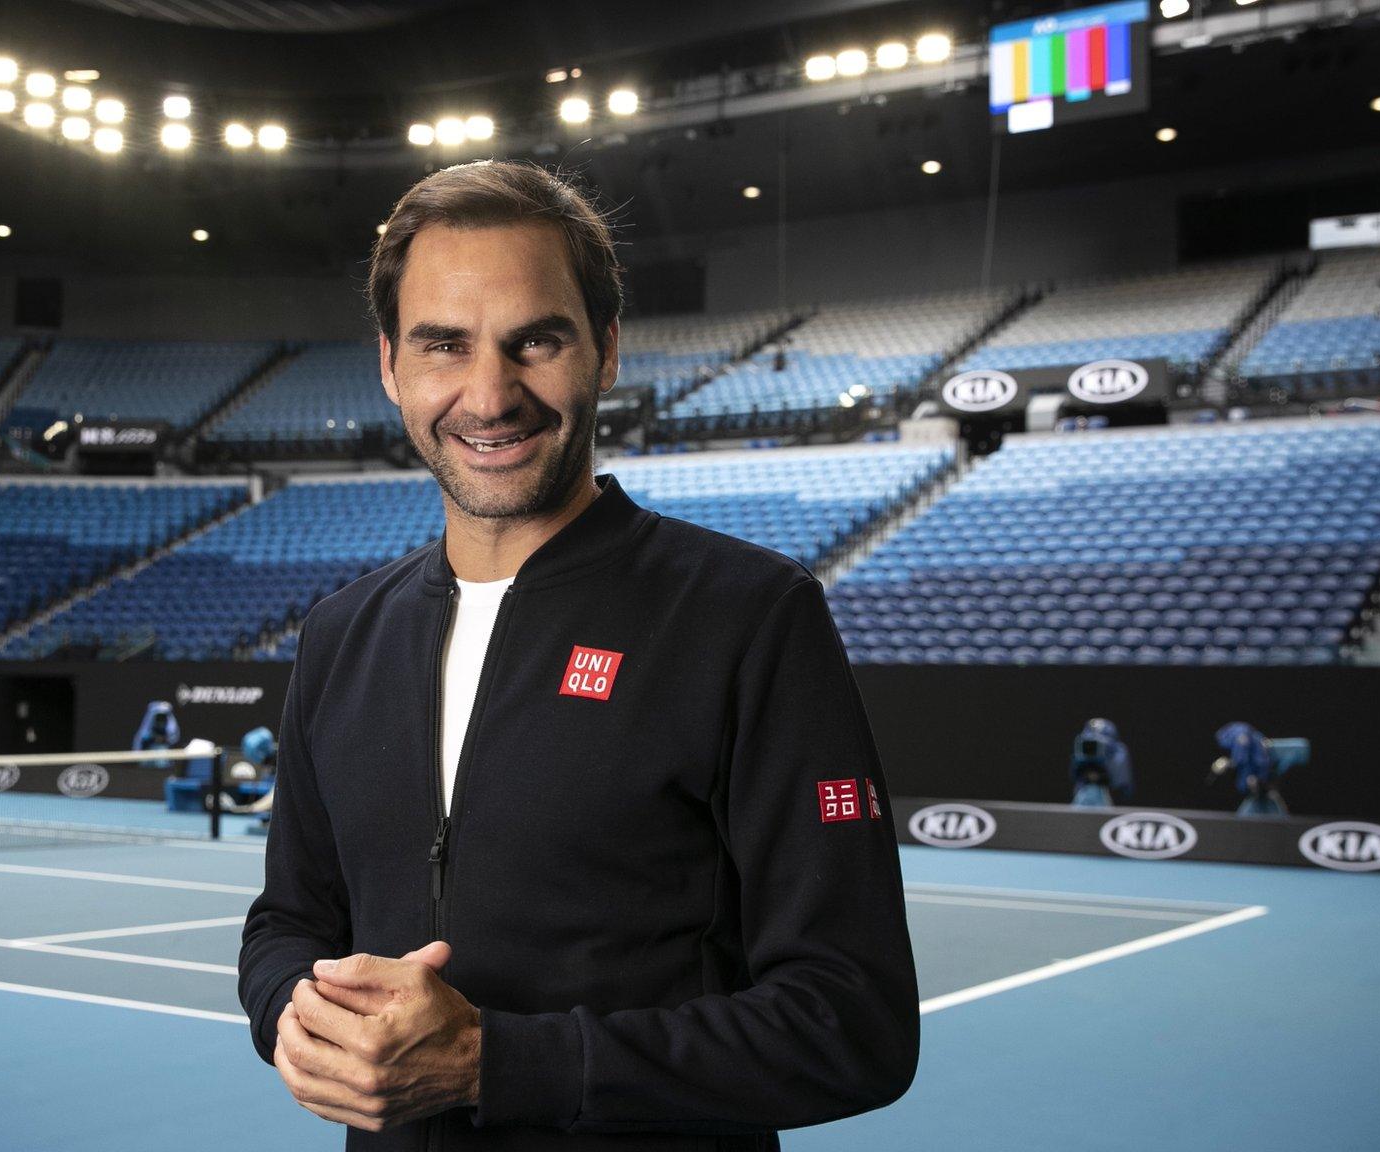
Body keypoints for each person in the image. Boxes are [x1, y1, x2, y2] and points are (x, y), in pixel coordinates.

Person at [239, 160, 919, 1151]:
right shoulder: (341, 633)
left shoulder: (748, 615)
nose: (488, 394)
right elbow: (286, 925)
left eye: (534, 341)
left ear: (602, 351)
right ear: (389, 366)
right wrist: (290, 1021)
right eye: (442, 345)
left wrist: (500, 1064)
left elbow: (852, 1022)